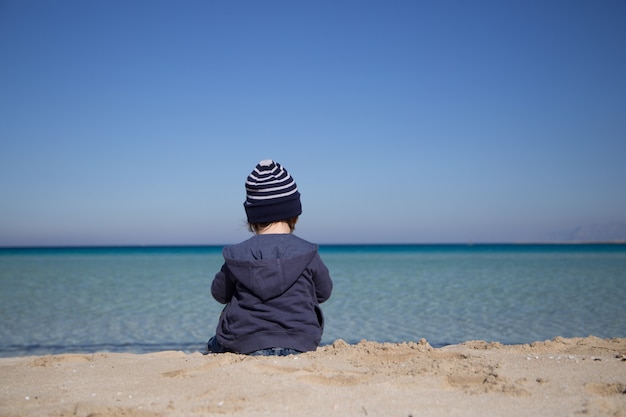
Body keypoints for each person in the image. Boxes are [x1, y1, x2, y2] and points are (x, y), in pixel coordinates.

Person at [206, 159, 333, 356]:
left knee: (215, 342)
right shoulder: (308, 253)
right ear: (295, 215)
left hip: (245, 343)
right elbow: (324, 292)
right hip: (300, 343)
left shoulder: (237, 256)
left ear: (252, 218)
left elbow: (219, 294)